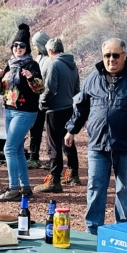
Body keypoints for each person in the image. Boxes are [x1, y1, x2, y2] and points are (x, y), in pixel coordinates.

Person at [65, 38, 127, 232]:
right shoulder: (93, 79)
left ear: (124, 56)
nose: (111, 60)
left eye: (115, 55)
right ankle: (93, 230)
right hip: (98, 144)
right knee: (95, 187)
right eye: (107, 55)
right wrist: (71, 130)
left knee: (123, 188)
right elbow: (81, 108)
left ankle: (121, 230)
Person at [0, 24, 45, 201]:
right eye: (15, 45)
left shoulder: (32, 64)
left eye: (22, 46)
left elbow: (40, 88)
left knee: (9, 149)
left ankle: (13, 188)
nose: (18, 48)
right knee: (18, 150)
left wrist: (30, 78)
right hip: (9, 111)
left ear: (27, 48)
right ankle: (25, 188)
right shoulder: (10, 64)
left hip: (25, 112)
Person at [35, 37, 80, 193]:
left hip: (54, 110)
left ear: (50, 51)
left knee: (53, 145)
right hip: (69, 108)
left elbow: (50, 89)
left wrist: (42, 103)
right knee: (67, 141)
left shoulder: (54, 64)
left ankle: (54, 179)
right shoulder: (73, 65)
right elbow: (77, 90)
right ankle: (73, 173)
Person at [27, 29, 50, 169]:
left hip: (47, 101)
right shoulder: (38, 58)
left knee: (51, 132)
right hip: (38, 100)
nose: (34, 48)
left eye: (35, 45)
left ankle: (52, 158)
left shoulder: (49, 61)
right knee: (35, 130)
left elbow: (47, 82)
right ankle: (34, 156)